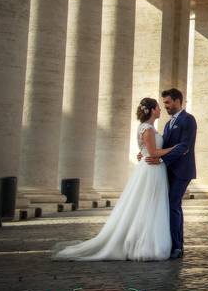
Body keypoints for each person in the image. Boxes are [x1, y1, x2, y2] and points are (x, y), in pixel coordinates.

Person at [51, 98, 174, 261]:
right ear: (152, 110)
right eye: (158, 108)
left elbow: (146, 151)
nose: (160, 110)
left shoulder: (147, 128)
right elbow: (152, 152)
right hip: (151, 169)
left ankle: (144, 239)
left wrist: (148, 153)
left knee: (147, 204)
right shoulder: (148, 129)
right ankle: (145, 243)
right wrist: (175, 148)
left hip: (151, 168)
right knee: (149, 204)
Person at [142, 88, 197, 259]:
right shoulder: (167, 124)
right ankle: (171, 243)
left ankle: (178, 247)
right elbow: (162, 146)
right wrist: (146, 152)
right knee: (168, 206)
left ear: (178, 100)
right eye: (164, 103)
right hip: (167, 171)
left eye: (167, 102)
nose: (165, 106)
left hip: (182, 171)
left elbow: (184, 146)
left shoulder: (188, 120)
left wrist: (163, 160)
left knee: (173, 205)